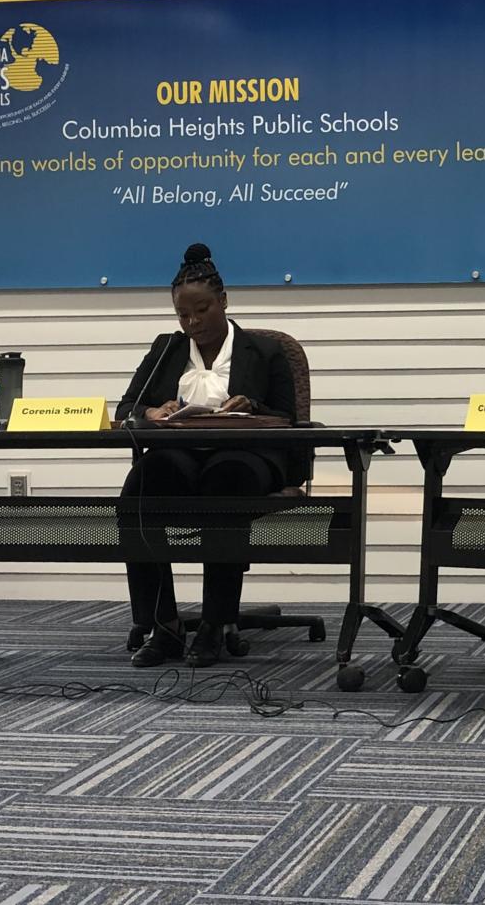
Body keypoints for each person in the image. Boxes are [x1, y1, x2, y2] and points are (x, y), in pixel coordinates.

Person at [115, 243, 301, 668]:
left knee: (225, 485)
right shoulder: (167, 348)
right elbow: (127, 408)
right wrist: (151, 411)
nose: (193, 322)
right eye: (183, 314)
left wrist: (253, 407)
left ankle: (215, 626)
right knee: (140, 488)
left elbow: (289, 417)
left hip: (245, 455)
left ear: (224, 301)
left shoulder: (265, 351)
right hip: (180, 452)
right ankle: (163, 626)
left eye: (202, 310)